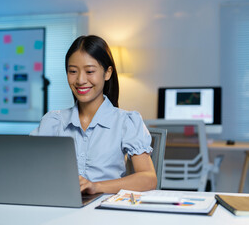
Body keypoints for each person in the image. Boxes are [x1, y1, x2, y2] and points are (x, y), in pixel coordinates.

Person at [31, 35, 157, 194]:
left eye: (90, 71)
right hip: (60, 207)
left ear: (107, 73)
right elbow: (29, 167)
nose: (80, 80)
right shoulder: (53, 121)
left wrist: (96, 187)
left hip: (105, 212)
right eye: (72, 71)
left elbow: (148, 178)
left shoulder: (126, 122)